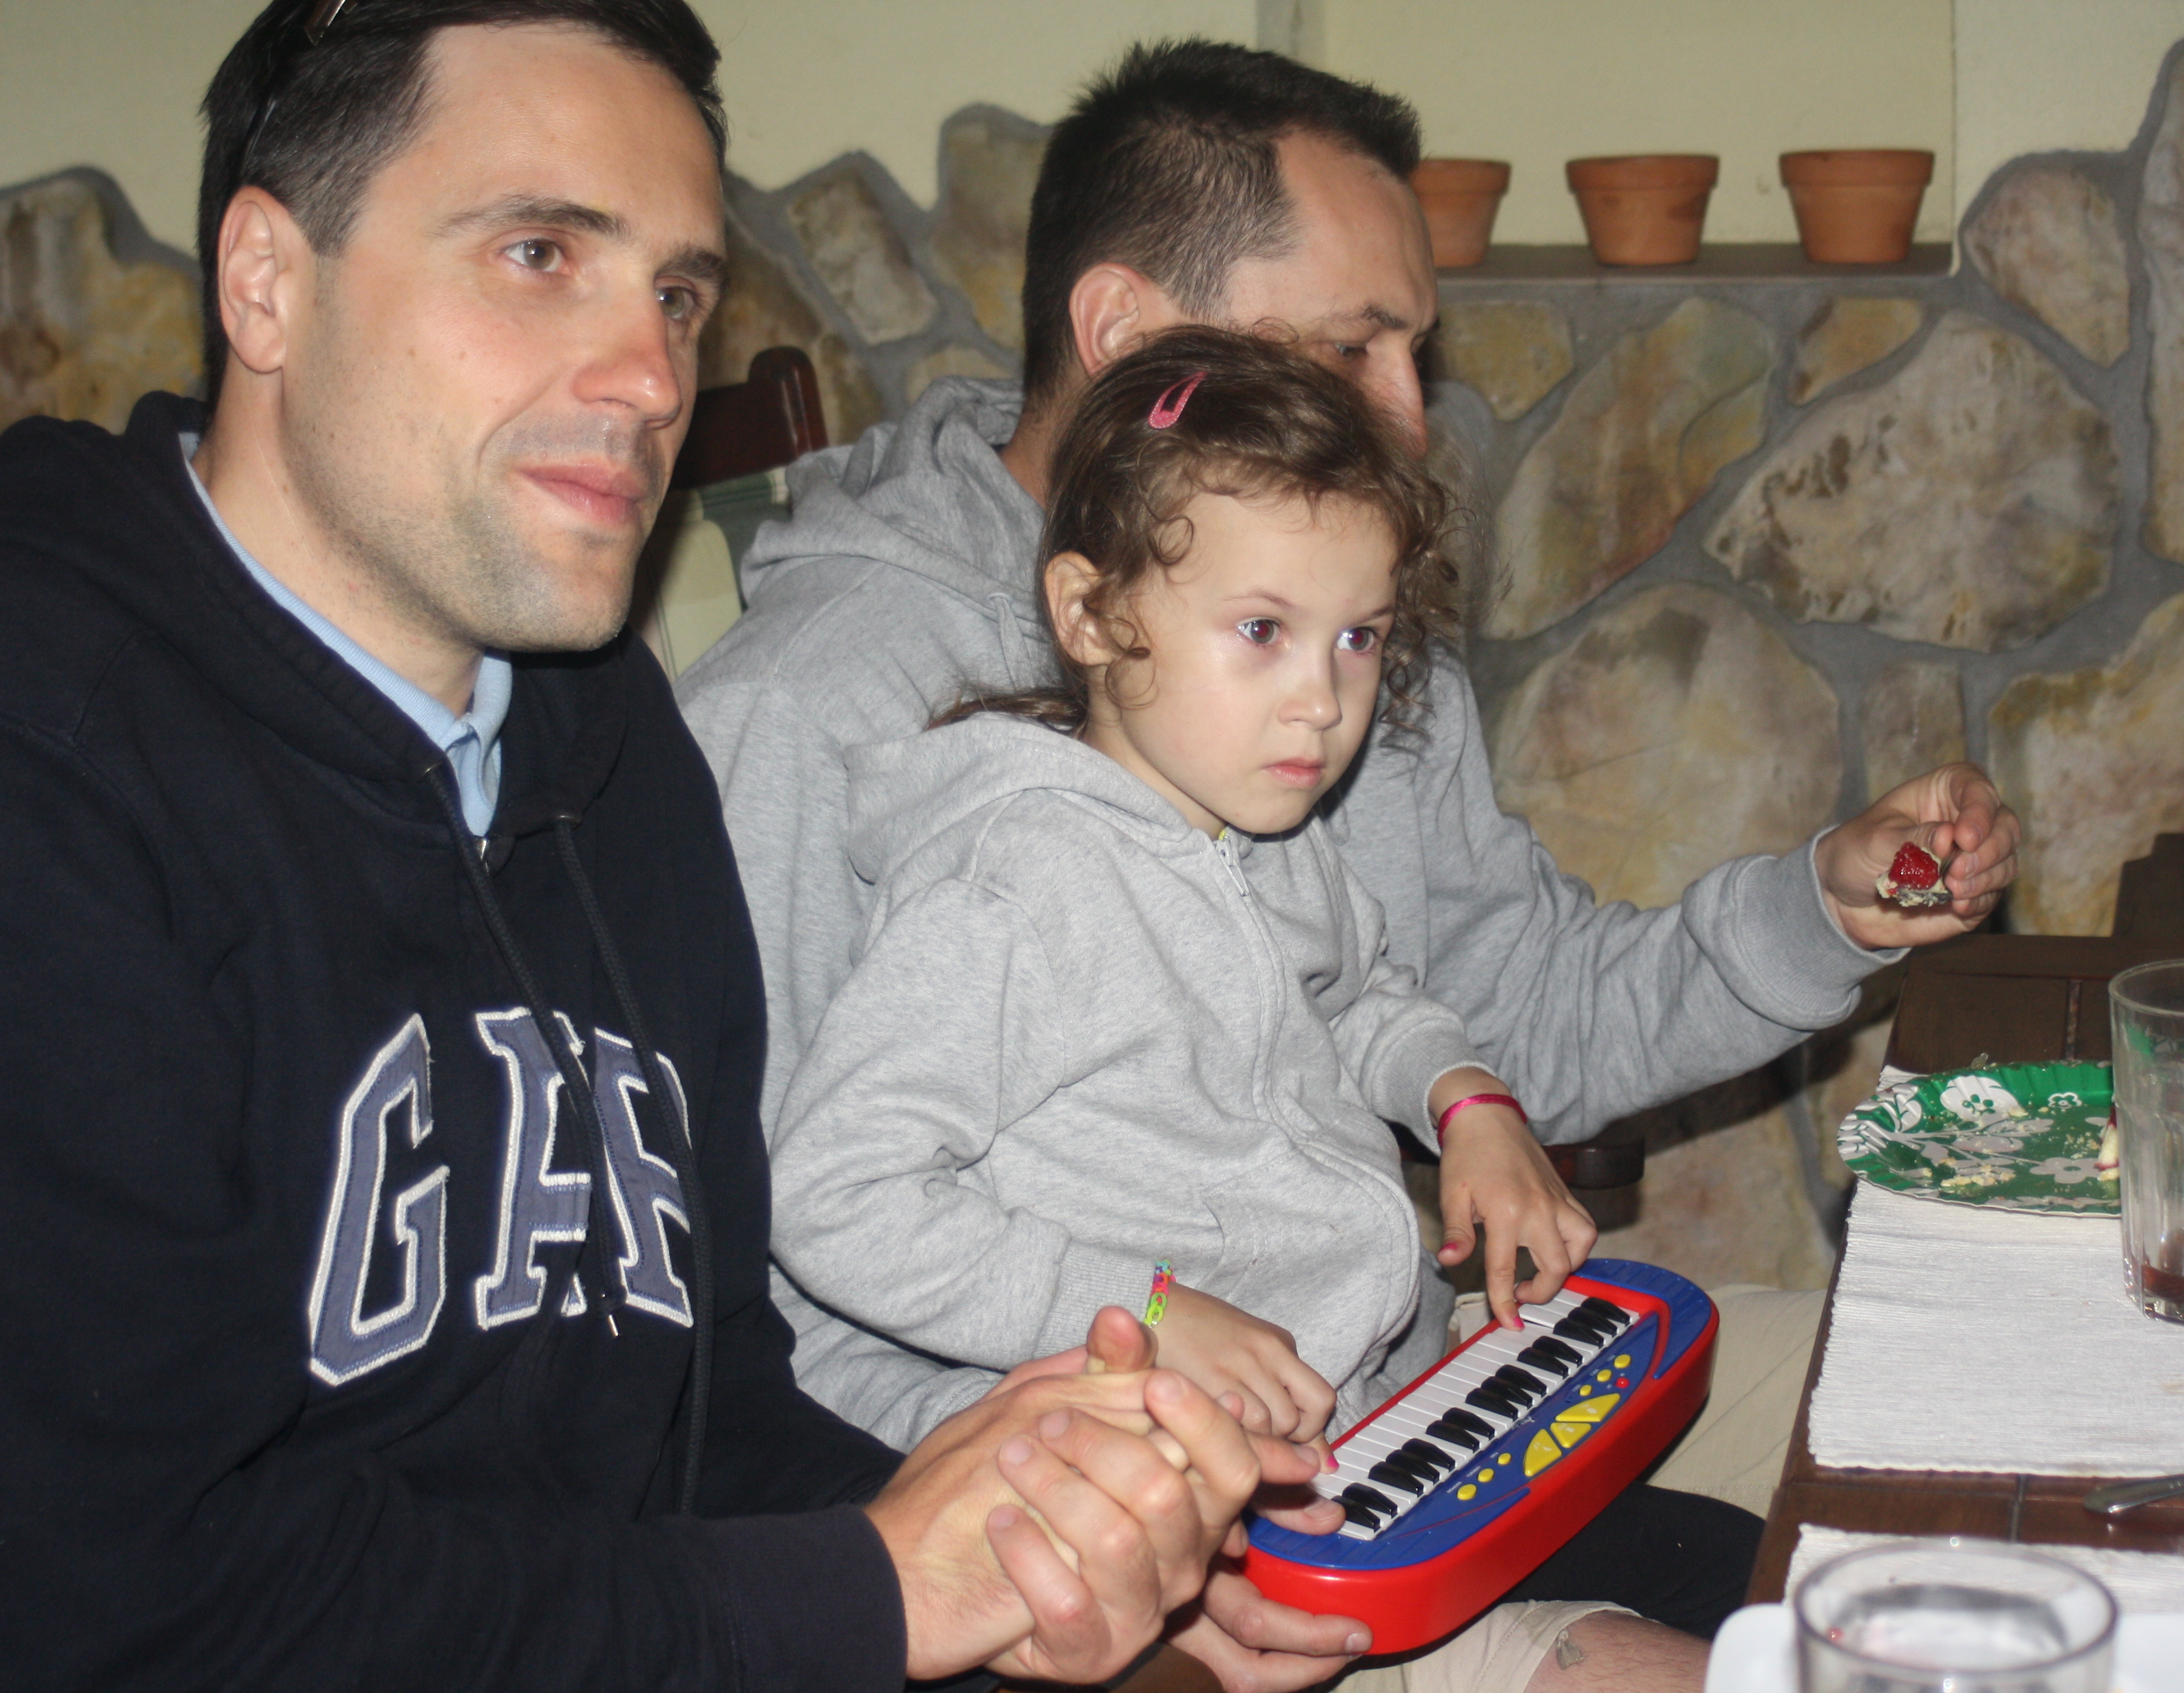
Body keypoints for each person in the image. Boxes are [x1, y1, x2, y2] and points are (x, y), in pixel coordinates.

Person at [0, 6, 1341, 1688]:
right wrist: (868, 1590)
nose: (649, 380)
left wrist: (1042, 1547)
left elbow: (707, 1410)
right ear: (267, 280)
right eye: (540, 254)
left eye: (680, 297)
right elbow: (109, 1602)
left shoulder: (609, 739)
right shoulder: (53, 763)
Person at [677, 31, 2019, 1529]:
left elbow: (1509, 1000)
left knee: (1980, 1402)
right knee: (1781, 1611)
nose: (1412, 420)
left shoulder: (1324, 632)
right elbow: (765, 1324)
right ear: (1127, 336)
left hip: (1407, 1387)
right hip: (1150, 1511)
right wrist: (1136, 1515)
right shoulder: (806, 713)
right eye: (1349, 349)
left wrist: (1817, 908)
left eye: (1413, 355)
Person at [773, 325, 1748, 1692]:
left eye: (1358, 639)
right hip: (1217, 1533)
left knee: (1763, 1569)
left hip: (1390, 1419)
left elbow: (1365, 994)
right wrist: (1150, 1309)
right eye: (1261, 632)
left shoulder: (1252, 824)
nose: (1321, 703)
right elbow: (835, 1196)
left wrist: (1464, 1100)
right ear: (1091, 615)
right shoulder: (1014, 890)